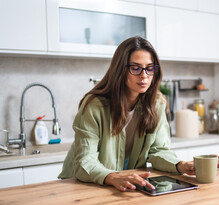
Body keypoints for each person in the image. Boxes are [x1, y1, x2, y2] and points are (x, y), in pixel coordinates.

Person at [58, 36, 195, 191]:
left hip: (124, 184)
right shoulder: (94, 106)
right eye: (135, 68)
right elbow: (85, 161)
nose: (144, 76)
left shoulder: (156, 103)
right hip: (82, 184)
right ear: (120, 70)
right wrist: (113, 177)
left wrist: (181, 165)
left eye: (149, 68)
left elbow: (159, 151)